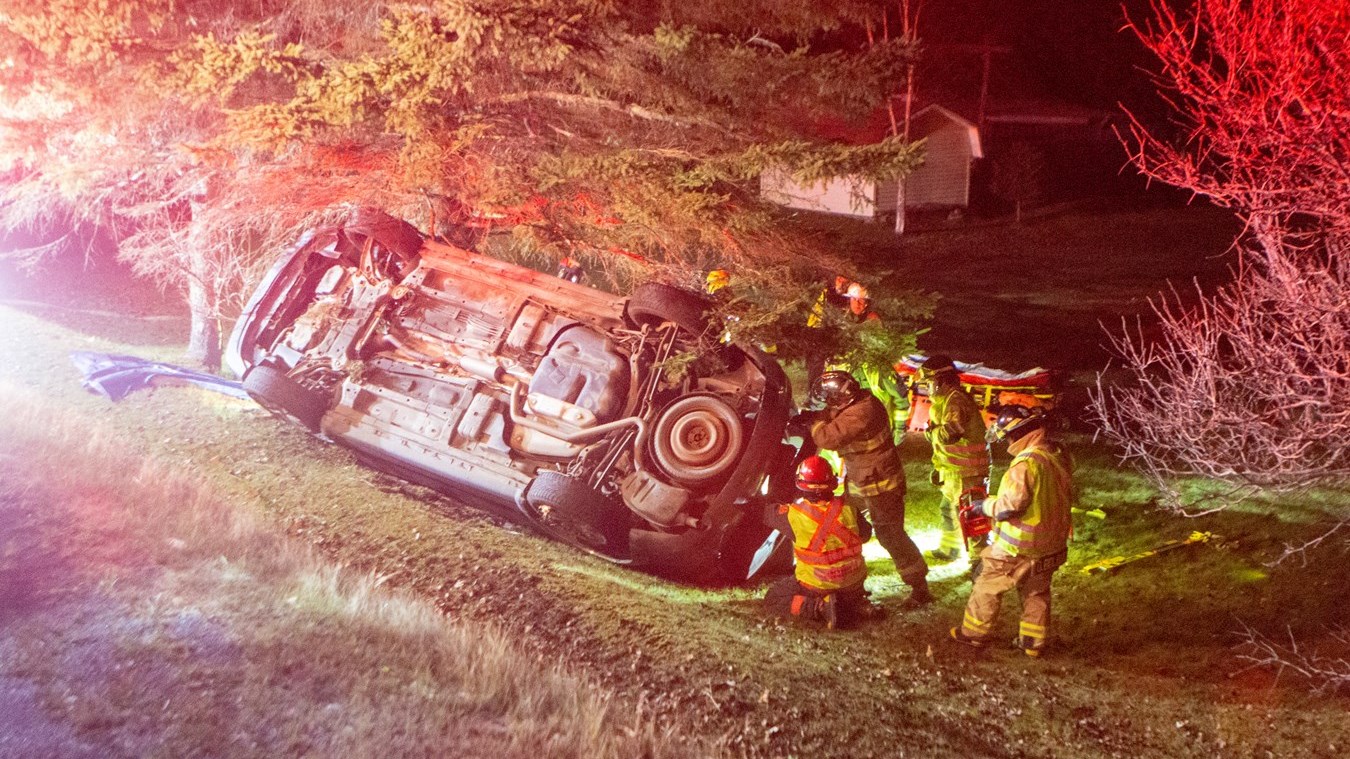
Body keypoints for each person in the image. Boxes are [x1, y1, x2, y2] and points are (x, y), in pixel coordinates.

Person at [794, 371, 933, 609]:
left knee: (891, 535)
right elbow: (833, 415)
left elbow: (827, 437)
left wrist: (813, 423)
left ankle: (919, 587)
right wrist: (816, 415)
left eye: (830, 399)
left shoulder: (863, 411)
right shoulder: (857, 402)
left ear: (841, 397)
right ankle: (852, 582)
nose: (828, 404)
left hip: (881, 484)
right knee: (849, 527)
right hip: (862, 479)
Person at [950, 405, 1073, 657]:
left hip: (1018, 545)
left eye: (1007, 435)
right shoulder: (1057, 456)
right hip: (1053, 543)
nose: (1007, 440)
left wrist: (983, 506)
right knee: (1036, 592)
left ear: (1018, 433)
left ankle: (973, 634)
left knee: (987, 584)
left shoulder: (1025, 465)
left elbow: (1010, 506)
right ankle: (1033, 644)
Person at [763, 455, 880, 629]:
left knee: (775, 597)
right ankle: (856, 606)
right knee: (850, 594)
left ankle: (821, 608)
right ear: (832, 482)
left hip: (816, 586)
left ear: (801, 485)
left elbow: (766, 512)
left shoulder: (792, 515)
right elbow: (865, 534)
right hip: (853, 583)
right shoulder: (849, 508)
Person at [917, 355, 991, 564]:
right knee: (948, 510)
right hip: (955, 471)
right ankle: (950, 548)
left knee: (972, 518)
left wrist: (931, 432)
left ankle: (980, 561)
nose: (927, 388)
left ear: (940, 381)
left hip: (967, 473)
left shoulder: (955, 401)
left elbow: (952, 433)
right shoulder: (946, 400)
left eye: (929, 383)